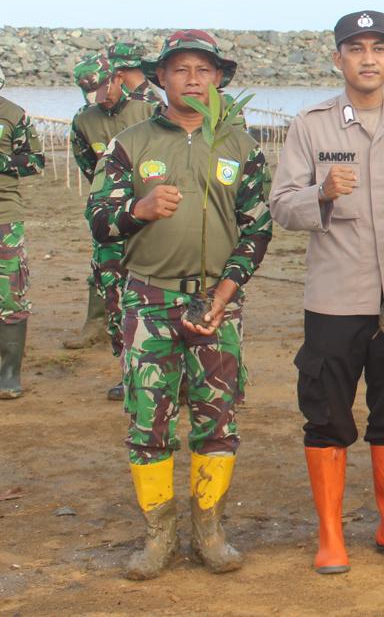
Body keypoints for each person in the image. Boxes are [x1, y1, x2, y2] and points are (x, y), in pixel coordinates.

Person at [86, 30, 272, 579]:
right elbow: (99, 220)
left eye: (204, 70)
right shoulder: (132, 142)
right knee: (149, 421)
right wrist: (138, 210)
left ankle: (209, 531)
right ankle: (158, 535)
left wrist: (225, 291)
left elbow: (258, 228)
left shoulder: (239, 145)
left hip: (218, 301)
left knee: (218, 420)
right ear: (160, 78)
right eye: (181, 69)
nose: (193, 79)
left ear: (219, 80)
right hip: (148, 300)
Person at [270, 10, 384, 574]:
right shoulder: (310, 125)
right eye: (355, 48)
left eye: (378, 47)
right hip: (333, 300)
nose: (368, 58)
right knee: (326, 415)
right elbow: (280, 206)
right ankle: (330, 536)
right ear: (337, 58)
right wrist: (319, 193)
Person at [65, 47, 163, 404]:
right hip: (110, 221)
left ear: (117, 78)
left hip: (151, 217)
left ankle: (170, 371)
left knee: (158, 295)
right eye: (90, 94)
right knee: (114, 297)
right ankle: (128, 373)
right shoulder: (84, 121)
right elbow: (89, 167)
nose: (100, 99)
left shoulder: (150, 110)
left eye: (103, 89)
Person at [0, 63, 45, 400]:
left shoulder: (13, 115)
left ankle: (9, 374)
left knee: (10, 293)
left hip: (4, 214)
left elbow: (36, 161)